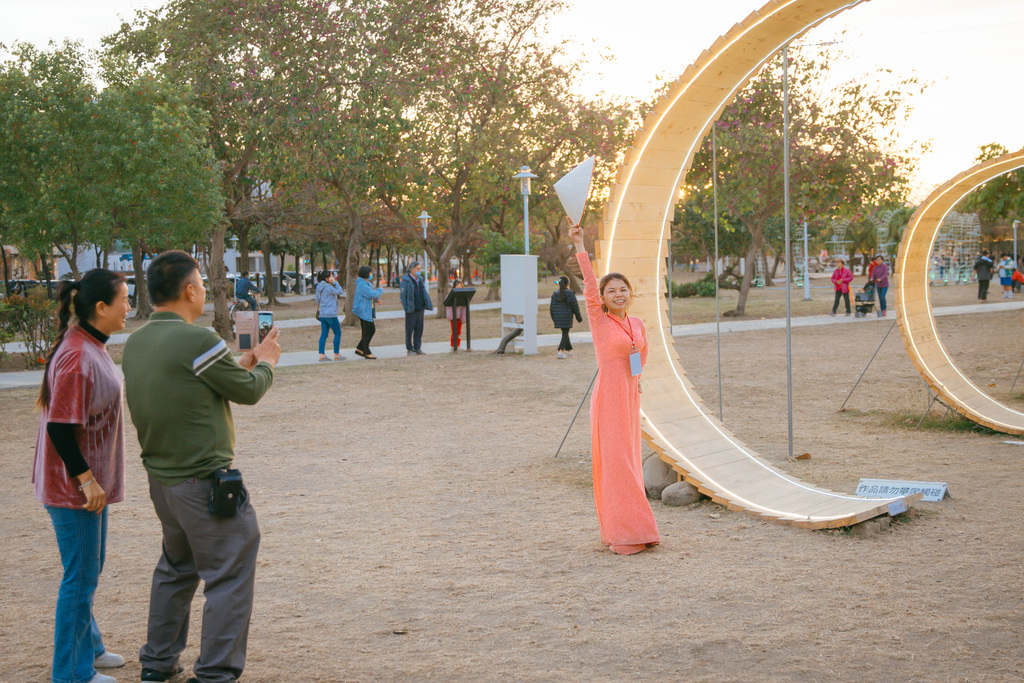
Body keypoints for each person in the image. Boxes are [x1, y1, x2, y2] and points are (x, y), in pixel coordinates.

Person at [122, 251, 280, 683]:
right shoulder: (197, 340)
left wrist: (243, 364)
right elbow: (248, 392)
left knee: (176, 569)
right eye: (204, 285)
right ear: (190, 290)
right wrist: (267, 362)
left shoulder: (136, 341)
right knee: (230, 571)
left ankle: (157, 662)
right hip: (204, 483)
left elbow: (188, 386)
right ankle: (215, 673)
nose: (206, 292)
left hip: (163, 481)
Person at [32, 269, 131, 683]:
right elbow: (59, 428)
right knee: (81, 578)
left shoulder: (90, 343)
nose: (129, 307)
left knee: (89, 569)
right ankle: (72, 672)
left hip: (86, 487)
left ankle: (89, 648)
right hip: (73, 489)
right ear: (101, 307)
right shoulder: (77, 355)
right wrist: (87, 481)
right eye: (124, 300)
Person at [569, 223, 659, 555]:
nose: (618, 294)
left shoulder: (636, 323)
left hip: (630, 398)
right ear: (604, 299)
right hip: (608, 398)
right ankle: (623, 533)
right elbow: (589, 286)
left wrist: (636, 378)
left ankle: (640, 528)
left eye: (623, 289)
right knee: (617, 463)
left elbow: (642, 354)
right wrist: (580, 245)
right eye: (612, 291)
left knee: (631, 461)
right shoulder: (600, 320)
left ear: (629, 294)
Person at [400, 262, 433, 355]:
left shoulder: (420, 279)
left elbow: (423, 292)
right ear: (412, 269)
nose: (419, 270)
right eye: (418, 268)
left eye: (420, 268)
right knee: (409, 330)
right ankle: (409, 349)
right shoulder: (406, 280)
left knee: (419, 329)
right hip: (411, 309)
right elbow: (403, 296)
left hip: (420, 308)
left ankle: (417, 347)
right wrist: (406, 307)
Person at [353, 265, 383, 359]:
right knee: (366, 332)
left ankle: (360, 348)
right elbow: (371, 294)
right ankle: (366, 352)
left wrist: (377, 298)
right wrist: (380, 290)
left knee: (371, 330)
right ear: (366, 273)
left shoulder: (367, 284)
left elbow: (372, 294)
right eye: (370, 272)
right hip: (363, 311)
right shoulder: (362, 285)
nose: (371, 274)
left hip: (368, 310)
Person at [549, 275, 583, 358]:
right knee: (565, 332)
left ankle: (569, 350)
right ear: (567, 283)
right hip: (567, 317)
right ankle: (560, 351)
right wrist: (579, 317)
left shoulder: (555, 294)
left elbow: (551, 308)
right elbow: (575, 306)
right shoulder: (570, 294)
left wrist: (554, 318)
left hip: (557, 317)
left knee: (565, 332)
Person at [315, 270, 345, 361]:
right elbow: (340, 291)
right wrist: (335, 282)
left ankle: (321, 355)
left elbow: (317, 299)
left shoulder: (319, 286)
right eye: (331, 276)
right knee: (337, 333)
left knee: (324, 334)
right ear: (327, 278)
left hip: (322, 314)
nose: (333, 278)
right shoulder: (328, 287)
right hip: (331, 314)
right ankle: (337, 354)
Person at [446, 278, 468, 352]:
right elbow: (448, 302)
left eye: (460, 287)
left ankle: (458, 346)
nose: (459, 289)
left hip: (460, 316)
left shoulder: (463, 295)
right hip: (454, 316)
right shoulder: (450, 295)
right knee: (454, 331)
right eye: (457, 287)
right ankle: (453, 347)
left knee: (459, 332)